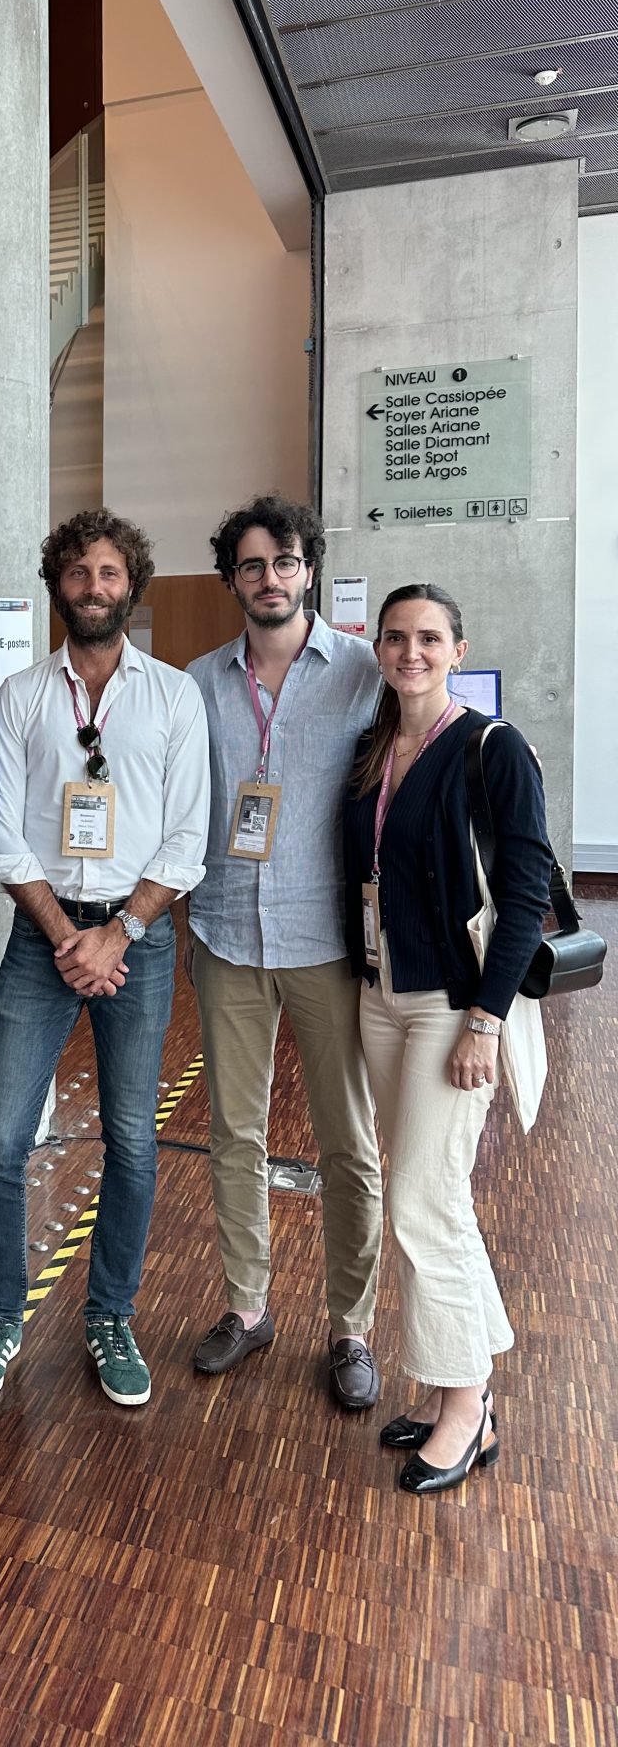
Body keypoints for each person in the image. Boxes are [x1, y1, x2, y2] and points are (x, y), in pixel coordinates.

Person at [0, 508, 209, 1409]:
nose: (93, 587)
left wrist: (119, 932)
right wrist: (68, 935)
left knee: (132, 1139)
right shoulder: (21, 697)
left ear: (131, 585)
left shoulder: (175, 697)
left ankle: (111, 1316)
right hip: (44, 937)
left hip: (137, 939)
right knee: (0, 1140)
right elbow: (0, 831)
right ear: (56, 586)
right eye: (77, 573)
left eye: (108, 573)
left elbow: (187, 836)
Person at [342, 584, 552, 1494]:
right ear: (379, 649)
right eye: (396, 637)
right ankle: (453, 1387)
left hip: (451, 1005)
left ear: (458, 649)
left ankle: (467, 1407)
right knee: (428, 1197)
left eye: (429, 637)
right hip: (381, 993)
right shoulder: (374, 748)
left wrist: (485, 1020)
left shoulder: (492, 747)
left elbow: (528, 891)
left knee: (424, 1202)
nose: (411, 652)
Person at [185, 496, 384, 1409]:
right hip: (226, 932)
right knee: (235, 1134)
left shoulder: (364, 674)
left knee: (349, 1143)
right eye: (253, 565)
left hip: (326, 940)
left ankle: (351, 1327)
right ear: (232, 579)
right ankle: (248, 1306)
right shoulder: (197, 683)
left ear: (309, 569)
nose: (271, 578)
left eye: (286, 561)